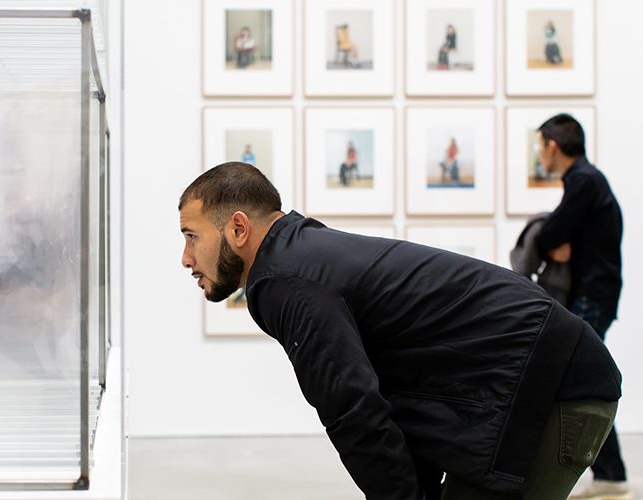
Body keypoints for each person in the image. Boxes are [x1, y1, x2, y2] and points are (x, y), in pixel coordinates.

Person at [178, 161, 622, 499]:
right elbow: (390, 396)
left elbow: (354, 411)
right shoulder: (303, 257)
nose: (185, 257)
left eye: (191, 236)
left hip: (553, 383)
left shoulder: (285, 281)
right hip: (531, 377)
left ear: (238, 227)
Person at [533, 114, 629, 500]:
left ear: (552, 146)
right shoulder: (587, 180)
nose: (540, 154)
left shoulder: (584, 181)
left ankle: (610, 473)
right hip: (595, 295)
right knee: (578, 379)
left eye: (540, 146)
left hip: (592, 296)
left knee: (579, 381)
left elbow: (550, 233)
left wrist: (549, 241)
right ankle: (609, 472)